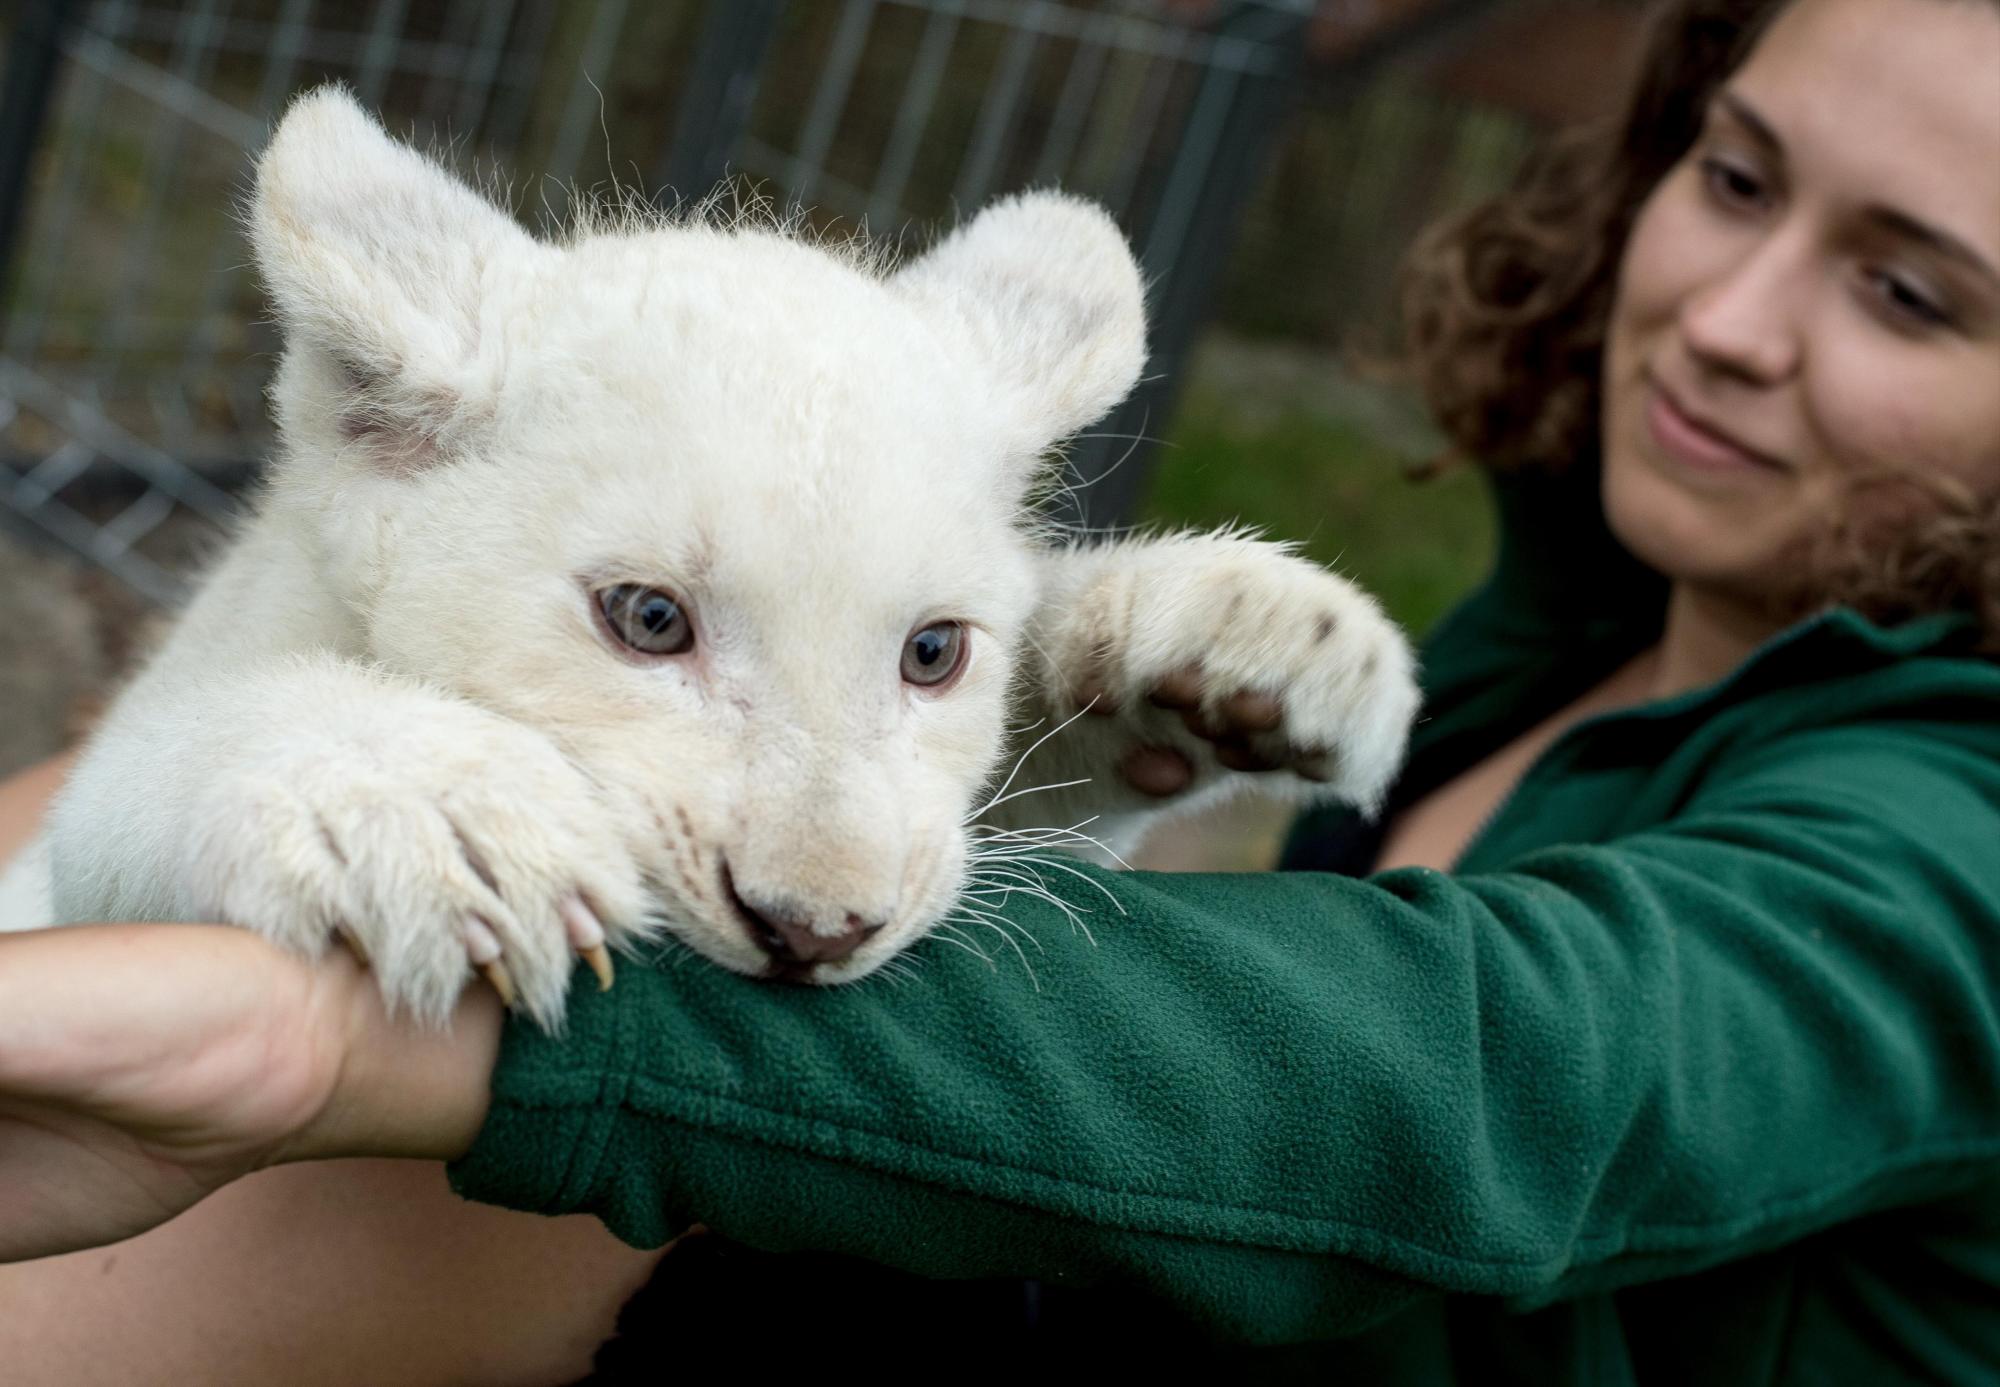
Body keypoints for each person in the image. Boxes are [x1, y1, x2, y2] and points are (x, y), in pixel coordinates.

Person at [3, 0, 1998, 1378]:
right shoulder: (1557, 640)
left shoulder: (1959, 837)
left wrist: (386, 1055)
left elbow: (1490, 1081)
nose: (1730, 321)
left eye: (1909, 291)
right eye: (1734, 177)